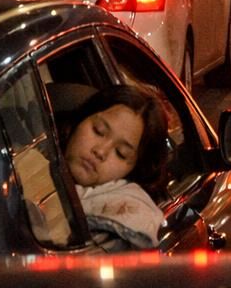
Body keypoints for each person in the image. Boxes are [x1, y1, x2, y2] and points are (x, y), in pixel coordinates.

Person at [59, 85, 168, 250]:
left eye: (121, 153)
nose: (101, 151)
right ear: (80, 119)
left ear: (133, 170)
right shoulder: (21, 154)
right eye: (98, 131)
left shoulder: (120, 230)